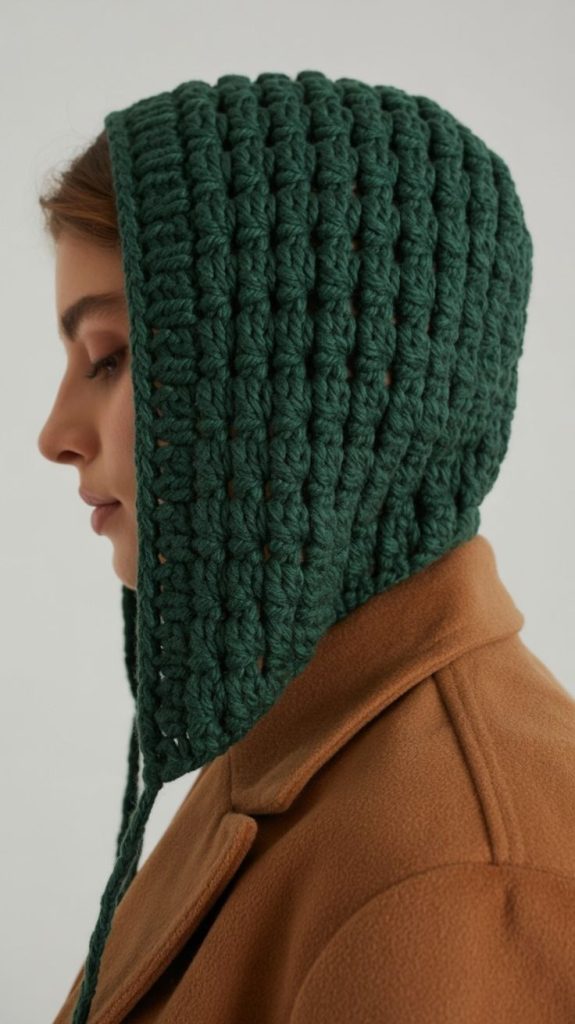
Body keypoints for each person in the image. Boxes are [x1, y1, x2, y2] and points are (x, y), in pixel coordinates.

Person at [37, 71, 575, 1024]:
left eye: (110, 358)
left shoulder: (454, 876)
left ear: (306, 383)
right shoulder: (290, 728)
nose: (56, 433)